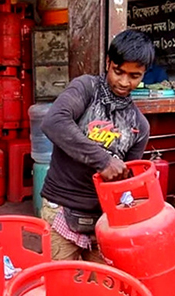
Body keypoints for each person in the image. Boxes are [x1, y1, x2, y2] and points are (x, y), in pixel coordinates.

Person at [40, 29, 154, 262]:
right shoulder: (86, 89)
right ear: (108, 63)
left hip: (104, 219)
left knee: (103, 288)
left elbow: (126, 182)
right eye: (118, 71)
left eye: (134, 76)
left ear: (144, 75)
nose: (124, 82)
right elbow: (53, 122)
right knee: (61, 287)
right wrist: (103, 160)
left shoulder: (139, 126)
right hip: (61, 207)